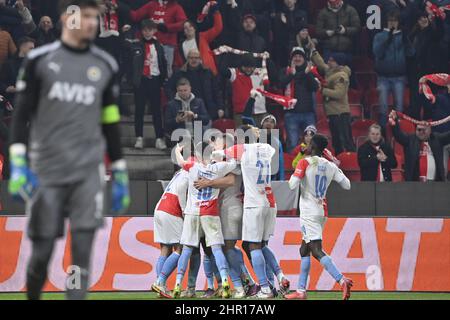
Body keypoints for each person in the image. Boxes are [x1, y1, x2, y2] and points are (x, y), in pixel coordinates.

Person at [8, 0, 130, 300]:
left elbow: (110, 122)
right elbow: (21, 115)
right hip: (47, 169)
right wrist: (18, 162)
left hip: (88, 170)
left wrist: (119, 168)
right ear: (68, 18)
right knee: (43, 249)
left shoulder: (105, 64)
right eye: (86, 16)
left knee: (83, 248)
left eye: (95, 17)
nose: (92, 23)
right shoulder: (39, 60)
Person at [213, 126, 290, 299]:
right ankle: (280, 276)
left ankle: (264, 288)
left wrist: (221, 154)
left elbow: (216, 155)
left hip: (253, 204)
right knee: (262, 245)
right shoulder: (267, 149)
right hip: (270, 201)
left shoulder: (241, 151)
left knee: (253, 246)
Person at [285, 134, 353, 300]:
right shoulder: (330, 165)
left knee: (316, 250)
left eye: (309, 143)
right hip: (322, 210)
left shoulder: (305, 162)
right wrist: (335, 167)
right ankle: (301, 291)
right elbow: (347, 185)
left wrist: (298, 175)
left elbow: (292, 185)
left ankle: (342, 280)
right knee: (304, 249)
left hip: (308, 212)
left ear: (313, 146)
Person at [172, 141, 237, 299]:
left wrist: (177, 150)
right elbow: (234, 162)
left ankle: (178, 284)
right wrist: (220, 152)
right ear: (211, 153)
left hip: (192, 213)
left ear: (198, 154)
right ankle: (225, 281)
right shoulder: (219, 167)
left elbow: (179, 161)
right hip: (210, 213)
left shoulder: (193, 166)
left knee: (186, 250)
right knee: (215, 249)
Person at [151, 163, 189, 298]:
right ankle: (160, 282)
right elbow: (181, 194)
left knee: (165, 249)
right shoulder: (188, 176)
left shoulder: (179, 173)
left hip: (160, 208)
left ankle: (161, 288)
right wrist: (185, 214)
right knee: (181, 248)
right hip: (171, 211)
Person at [311, 46, 356, 155]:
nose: (328, 62)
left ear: (338, 63)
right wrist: (313, 52)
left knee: (345, 140)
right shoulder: (331, 71)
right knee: (336, 141)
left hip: (340, 113)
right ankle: (340, 160)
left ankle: (350, 160)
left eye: (331, 60)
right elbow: (321, 64)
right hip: (333, 113)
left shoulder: (342, 76)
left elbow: (339, 94)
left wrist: (323, 90)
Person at [372, 10, 414, 129]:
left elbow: (411, 53)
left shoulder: (402, 36)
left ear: (398, 22)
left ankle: (397, 133)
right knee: (383, 107)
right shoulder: (379, 36)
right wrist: (388, 38)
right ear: (386, 22)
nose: (392, 23)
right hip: (383, 77)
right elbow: (377, 53)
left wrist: (406, 40)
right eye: (390, 21)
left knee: (399, 107)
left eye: (394, 21)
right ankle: (383, 133)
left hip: (399, 77)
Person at [131, 19, 167, 150]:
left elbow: (162, 63)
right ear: (142, 31)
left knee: (156, 111)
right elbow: (131, 65)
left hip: (155, 80)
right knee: (139, 110)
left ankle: (159, 138)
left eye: (150, 30)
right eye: (145, 30)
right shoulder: (136, 45)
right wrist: (133, 80)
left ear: (154, 31)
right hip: (141, 81)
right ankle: (139, 138)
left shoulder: (159, 46)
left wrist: (163, 79)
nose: (147, 32)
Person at [126, 0, 187, 77]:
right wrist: (122, 7)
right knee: (146, 68)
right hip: (149, 44)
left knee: (166, 69)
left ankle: (165, 87)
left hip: (166, 44)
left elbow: (183, 23)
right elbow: (136, 16)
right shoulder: (152, 4)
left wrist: (167, 27)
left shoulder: (176, 7)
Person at [390, 110, 450, 181]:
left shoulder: (436, 139)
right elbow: (398, 135)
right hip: (415, 184)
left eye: (424, 130)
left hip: (436, 184)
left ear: (429, 130)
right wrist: (394, 124)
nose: (421, 132)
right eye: (419, 130)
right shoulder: (410, 140)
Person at [167, 49, 224, 121]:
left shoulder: (207, 72)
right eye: (191, 58)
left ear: (200, 59)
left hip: (206, 111)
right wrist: (175, 101)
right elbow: (169, 88)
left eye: (196, 58)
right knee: (191, 131)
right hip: (186, 110)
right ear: (187, 59)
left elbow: (216, 90)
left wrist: (220, 107)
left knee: (203, 131)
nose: (194, 60)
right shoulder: (179, 73)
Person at [279, 47, 318, 153]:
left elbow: (315, 87)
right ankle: (294, 168)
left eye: (300, 56)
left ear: (304, 59)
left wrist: (307, 74)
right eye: (295, 56)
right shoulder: (285, 71)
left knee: (312, 142)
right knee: (292, 143)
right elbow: (280, 84)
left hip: (308, 113)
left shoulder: (310, 71)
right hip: (291, 114)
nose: (297, 58)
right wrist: (291, 74)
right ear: (291, 59)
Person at [220, 54, 270, 126]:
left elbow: (275, 77)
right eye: (246, 67)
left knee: (263, 137)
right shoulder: (234, 73)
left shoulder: (261, 72)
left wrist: (267, 59)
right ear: (241, 65)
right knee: (243, 137)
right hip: (241, 114)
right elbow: (222, 70)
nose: (249, 69)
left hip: (260, 112)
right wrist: (224, 53)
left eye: (251, 67)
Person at [175, 1, 222, 75]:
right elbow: (178, 64)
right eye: (185, 28)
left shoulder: (203, 37)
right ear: (183, 32)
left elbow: (218, 28)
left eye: (190, 26)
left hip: (208, 73)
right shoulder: (180, 46)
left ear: (194, 29)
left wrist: (216, 12)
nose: (188, 29)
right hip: (191, 76)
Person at [272, 0, 307, 67]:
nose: (289, 1)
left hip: (298, 44)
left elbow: (302, 31)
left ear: (295, 1)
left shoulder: (302, 14)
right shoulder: (279, 15)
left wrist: (286, 24)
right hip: (283, 47)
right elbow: (278, 34)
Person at [0, 36, 34, 102]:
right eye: (31, 48)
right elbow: (1, 82)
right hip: (14, 100)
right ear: (22, 47)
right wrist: (7, 89)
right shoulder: (9, 64)